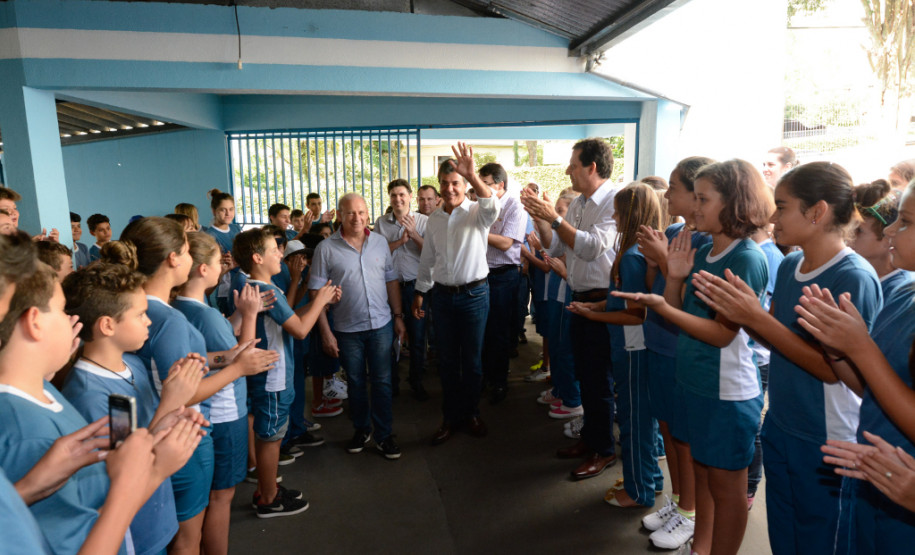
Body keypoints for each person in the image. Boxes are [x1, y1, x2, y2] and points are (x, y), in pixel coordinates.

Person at [694, 161, 882, 555]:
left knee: (820, 538)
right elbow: (775, 337)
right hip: (782, 422)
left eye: (782, 207)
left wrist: (754, 316)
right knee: (784, 532)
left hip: (827, 435)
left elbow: (832, 370)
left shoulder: (853, 276)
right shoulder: (792, 263)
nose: (772, 218)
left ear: (817, 212)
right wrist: (739, 314)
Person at [615, 159, 772, 554]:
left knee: (727, 489)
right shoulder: (706, 250)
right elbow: (679, 307)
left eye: (704, 199)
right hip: (695, 381)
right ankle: (700, 546)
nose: (695, 207)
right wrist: (675, 277)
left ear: (734, 203)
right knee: (702, 474)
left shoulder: (746, 257)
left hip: (726, 391)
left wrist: (663, 304)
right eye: (696, 197)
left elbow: (721, 333)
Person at [800, 178, 915, 552]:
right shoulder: (904, 296)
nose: (891, 230)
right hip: (877, 476)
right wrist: (836, 348)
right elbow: (874, 389)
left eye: (905, 222)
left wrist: (861, 348)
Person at [60, 262, 207, 555]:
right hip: (131, 533)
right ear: (107, 325)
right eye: (140, 315)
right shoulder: (92, 395)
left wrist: (174, 407)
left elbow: (146, 428)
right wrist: (171, 401)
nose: (148, 321)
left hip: (155, 512)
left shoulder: (133, 363)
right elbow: (128, 466)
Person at [521, 138, 620, 481]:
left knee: (599, 380)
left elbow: (592, 248)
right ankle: (591, 439)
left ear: (592, 167)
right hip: (578, 297)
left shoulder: (613, 201)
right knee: (585, 376)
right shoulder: (579, 203)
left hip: (601, 299)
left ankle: (603, 450)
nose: (568, 171)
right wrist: (541, 218)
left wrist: (554, 217)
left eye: (573, 165)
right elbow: (555, 246)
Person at [173, 232, 280, 546]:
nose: (224, 267)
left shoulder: (182, 306)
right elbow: (242, 356)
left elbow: (218, 347)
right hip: (224, 410)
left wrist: (237, 316)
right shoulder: (206, 314)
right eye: (219, 262)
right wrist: (250, 315)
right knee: (222, 496)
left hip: (207, 410)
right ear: (203, 269)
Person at [569, 182, 664, 510]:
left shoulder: (632, 258)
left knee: (634, 421)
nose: (615, 217)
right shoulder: (631, 254)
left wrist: (594, 317)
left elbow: (635, 315)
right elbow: (620, 301)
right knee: (638, 419)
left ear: (632, 215)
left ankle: (640, 490)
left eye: (619, 213)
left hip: (633, 350)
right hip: (628, 348)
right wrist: (595, 307)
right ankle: (649, 477)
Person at [634, 156, 713, 544]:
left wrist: (664, 259)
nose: (667, 195)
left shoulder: (707, 242)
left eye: (675, 188)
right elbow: (658, 285)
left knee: (685, 438)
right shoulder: (675, 230)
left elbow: (688, 297)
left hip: (680, 348)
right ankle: (679, 500)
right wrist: (654, 261)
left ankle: (689, 512)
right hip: (658, 340)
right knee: (667, 429)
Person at [233, 227, 339, 516]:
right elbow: (301, 330)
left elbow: (291, 320)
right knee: (270, 438)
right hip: (272, 378)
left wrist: (319, 302)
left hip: (275, 376)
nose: (281, 254)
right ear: (257, 258)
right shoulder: (265, 289)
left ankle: (267, 489)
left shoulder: (264, 288)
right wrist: (319, 301)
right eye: (274, 250)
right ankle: (268, 498)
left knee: (273, 434)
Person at [413, 143, 500, 446]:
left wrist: (473, 175)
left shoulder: (477, 212)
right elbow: (428, 259)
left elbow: (492, 206)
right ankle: (450, 417)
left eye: (455, 183)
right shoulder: (435, 219)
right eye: (445, 183)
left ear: (464, 185)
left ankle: (471, 413)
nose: (449, 189)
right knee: (447, 362)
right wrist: (420, 291)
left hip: (474, 296)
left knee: (472, 361)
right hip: (442, 298)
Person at [310, 193, 406, 458]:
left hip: (381, 325)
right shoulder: (326, 248)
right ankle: (362, 429)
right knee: (355, 382)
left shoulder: (380, 243)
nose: (357, 218)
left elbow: (390, 280)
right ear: (340, 215)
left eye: (361, 212)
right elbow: (316, 294)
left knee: (383, 382)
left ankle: (384, 435)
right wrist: (326, 333)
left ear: (367, 214)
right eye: (350, 213)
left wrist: (398, 316)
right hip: (346, 329)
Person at [373, 179, 430, 401]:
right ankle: (392, 383)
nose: (398, 199)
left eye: (402, 194)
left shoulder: (424, 221)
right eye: (394, 195)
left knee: (418, 337)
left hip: (416, 288)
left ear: (410, 196)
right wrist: (399, 241)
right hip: (389, 288)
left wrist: (414, 234)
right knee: (389, 338)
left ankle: (416, 382)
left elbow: (432, 254)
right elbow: (376, 254)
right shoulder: (381, 223)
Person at [479, 163, 526, 403]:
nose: (481, 189)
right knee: (482, 330)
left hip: (503, 275)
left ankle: (499, 381)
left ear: (500, 185)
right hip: (481, 274)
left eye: (485, 184)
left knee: (498, 330)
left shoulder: (514, 207)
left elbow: (507, 243)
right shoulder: (481, 205)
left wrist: (477, 231)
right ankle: (484, 377)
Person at [850, 180, 908, 296]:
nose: (847, 235)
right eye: (847, 226)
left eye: (858, 230)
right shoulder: (850, 273)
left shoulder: (903, 292)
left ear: (889, 236)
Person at [202, 189, 242, 315]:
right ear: (214, 211)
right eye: (223, 210)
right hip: (225, 289)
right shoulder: (210, 236)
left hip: (241, 282)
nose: (228, 213)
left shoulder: (236, 228)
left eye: (231, 209)